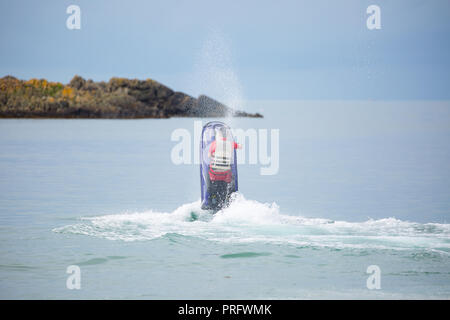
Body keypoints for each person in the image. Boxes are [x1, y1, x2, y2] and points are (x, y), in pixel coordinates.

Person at [207, 127, 241, 208]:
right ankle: (226, 199)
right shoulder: (231, 144)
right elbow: (240, 146)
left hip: (214, 176)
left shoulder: (214, 144)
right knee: (229, 174)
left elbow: (209, 156)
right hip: (226, 177)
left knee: (209, 170)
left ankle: (212, 196)